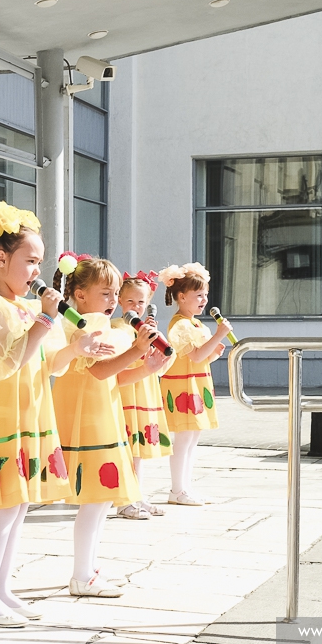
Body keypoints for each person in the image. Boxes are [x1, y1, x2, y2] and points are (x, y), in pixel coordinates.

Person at [0, 203, 100, 628]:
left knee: (17, 507)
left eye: (39, 261)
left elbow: (49, 362)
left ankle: (1, 590)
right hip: (0, 414)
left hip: (29, 412)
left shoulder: (23, 307)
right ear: (1, 259)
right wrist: (44, 319)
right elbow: (8, 361)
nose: (37, 271)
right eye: (31, 261)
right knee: (4, 508)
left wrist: (75, 348)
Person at [51, 255, 167, 597]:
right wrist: (137, 350)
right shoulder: (83, 325)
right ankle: (82, 574)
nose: (114, 300)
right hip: (89, 416)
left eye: (115, 293)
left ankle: (88, 569)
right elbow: (99, 371)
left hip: (102, 410)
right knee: (96, 498)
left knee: (101, 499)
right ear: (80, 294)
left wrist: (146, 367)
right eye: (106, 293)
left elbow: (114, 376)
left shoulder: (100, 323)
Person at [157, 263, 231, 506]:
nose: (204, 300)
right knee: (184, 440)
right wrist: (218, 336)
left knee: (191, 439)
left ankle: (185, 488)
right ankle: (177, 490)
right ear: (181, 296)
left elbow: (201, 357)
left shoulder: (196, 324)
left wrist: (214, 350)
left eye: (205, 294)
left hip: (196, 385)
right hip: (183, 387)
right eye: (198, 295)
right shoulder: (180, 325)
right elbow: (196, 356)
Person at [113, 270, 175, 518]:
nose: (136, 306)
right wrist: (138, 342)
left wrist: (156, 339)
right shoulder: (117, 327)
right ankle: (124, 501)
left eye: (141, 301)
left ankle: (138, 496)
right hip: (127, 393)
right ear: (120, 300)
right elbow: (120, 360)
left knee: (138, 451)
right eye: (130, 301)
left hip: (145, 393)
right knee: (127, 449)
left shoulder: (147, 329)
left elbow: (164, 364)